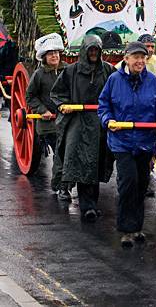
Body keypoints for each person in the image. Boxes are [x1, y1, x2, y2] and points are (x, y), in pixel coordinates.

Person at [98, 41, 156, 247]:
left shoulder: (153, 81)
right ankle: (126, 229)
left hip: (145, 142)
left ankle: (137, 227)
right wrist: (108, 120)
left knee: (141, 184)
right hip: (122, 141)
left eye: (143, 57)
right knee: (127, 182)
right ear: (126, 59)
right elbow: (103, 106)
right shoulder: (114, 80)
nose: (140, 61)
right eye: (135, 57)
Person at [50, 35, 115, 221]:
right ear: (85, 51)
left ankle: (92, 203)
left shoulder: (108, 70)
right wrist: (63, 105)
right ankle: (87, 206)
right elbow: (57, 93)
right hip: (78, 123)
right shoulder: (71, 71)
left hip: (100, 124)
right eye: (91, 50)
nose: (94, 53)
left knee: (96, 164)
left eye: (96, 50)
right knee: (81, 163)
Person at [26, 33, 69, 199]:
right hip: (48, 124)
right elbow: (30, 96)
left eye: (57, 52)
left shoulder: (68, 71)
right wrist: (42, 110)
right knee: (61, 153)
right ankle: (61, 187)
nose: (55, 56)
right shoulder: (39, 74)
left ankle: (64, 185)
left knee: (67, 152)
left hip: (67, 120)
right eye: (51, 53)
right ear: (44, 57)